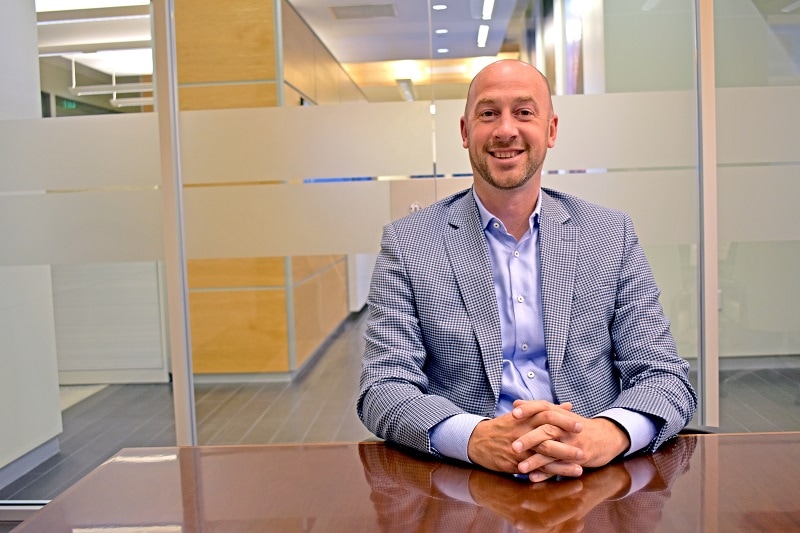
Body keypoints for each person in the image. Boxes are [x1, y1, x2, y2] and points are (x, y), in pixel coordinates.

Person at [357, 59, 697, 483]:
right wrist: (473, 438)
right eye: (488, 113)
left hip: (593, 477)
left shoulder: (610, 234)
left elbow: (664, 374)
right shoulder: (409, 243)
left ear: (551, 129)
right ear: (465, 132)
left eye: (523, 112)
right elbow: (383, 386)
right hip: (468, 482)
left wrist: (606, 434)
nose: (505, 130)